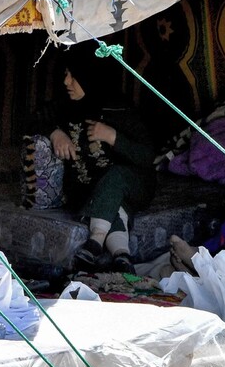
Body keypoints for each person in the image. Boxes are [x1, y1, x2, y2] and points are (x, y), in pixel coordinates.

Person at [40, 48, 156, 274]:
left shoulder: (119, 109)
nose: (66, 81)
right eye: (66, 74)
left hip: (133, 183)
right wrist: (55, 133)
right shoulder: (64, 107)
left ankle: (95, 242)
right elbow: (35, 118)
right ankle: (122, 256)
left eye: (73, 76)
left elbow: (146, 157)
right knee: (114, 202)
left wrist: (113, 137)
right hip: (93, 188)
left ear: (89, 78)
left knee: (115, 178)